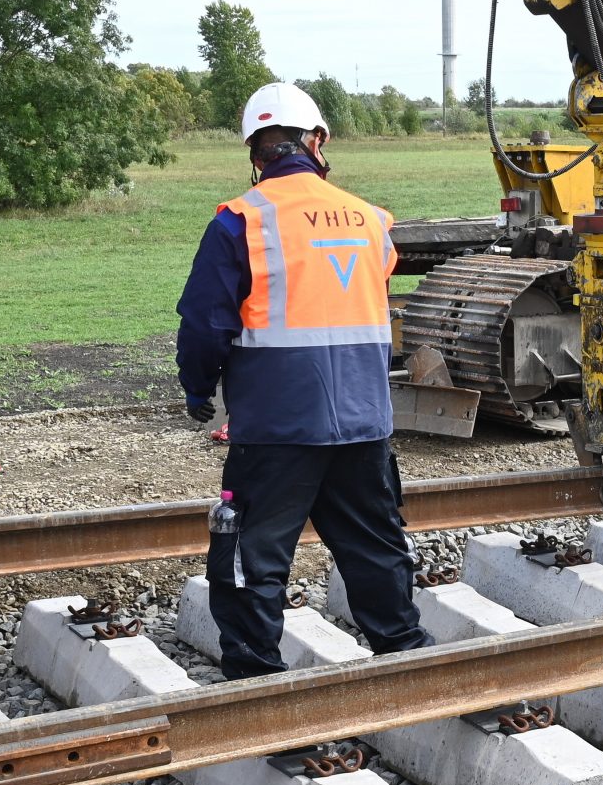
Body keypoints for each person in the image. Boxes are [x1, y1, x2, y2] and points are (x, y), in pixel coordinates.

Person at [177, 81, 432, 679]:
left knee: (252, 555)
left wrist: (197, 390)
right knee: (374, 543)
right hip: (366, 423)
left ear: (255, 153)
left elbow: (204, 323)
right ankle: (404, 655)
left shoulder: (241, 220)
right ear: (317, 141)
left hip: (276, 427)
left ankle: (256, 674)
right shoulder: (372, 220)